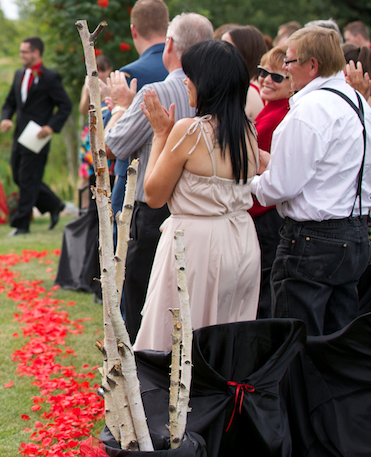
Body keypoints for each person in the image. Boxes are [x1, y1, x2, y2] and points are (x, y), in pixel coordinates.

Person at [134, 39, 261, 351]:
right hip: (242, 240)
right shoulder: (247, 130)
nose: (186, 80)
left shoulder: (190, 130)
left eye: (190, 74)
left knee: (177, 336)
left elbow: (153, 195)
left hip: (197, 246)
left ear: (208, 82)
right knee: (226, 332)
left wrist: (161, 134)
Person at [252, 27, 371, 336]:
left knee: (296, 342)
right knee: (336, 343)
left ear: (312, 65)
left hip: (312, 240)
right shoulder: (358, 103)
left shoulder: (310, 109)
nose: (286, 69)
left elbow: (279, 188)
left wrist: (246, 183)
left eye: (290, 62)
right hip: (353, 233)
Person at [105, 12, 214, 341]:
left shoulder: (157, 92)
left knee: (143, 304)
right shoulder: (217, 92)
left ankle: (145, 381)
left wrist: (121, 108)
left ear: (170, 44)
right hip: (199, 211)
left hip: (154, 210)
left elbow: (113, 145)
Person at [0, 36, 72, 235]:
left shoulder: (50, 77)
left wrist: (51, 127)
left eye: (24, 52)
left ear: (36, 53)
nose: (21, 55)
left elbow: (65, 105)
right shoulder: (19, 74)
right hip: (19, 134)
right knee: (18, 175)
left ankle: (22, 224)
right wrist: (5, 118)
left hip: (37, 136)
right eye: (21, 51)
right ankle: (54, 204)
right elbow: (10, 102)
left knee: (28, 178)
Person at [109, 0, 170, 215]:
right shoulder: (186, 68)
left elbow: (111, 142)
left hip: (137, 181)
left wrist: (116, 108)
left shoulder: (130, 74)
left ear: (133, 30)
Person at [249, 46, 293, 318]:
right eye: (263, 72)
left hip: (265, 213)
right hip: (263, 211)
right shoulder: (272, 110)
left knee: (264, 292)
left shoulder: (280, 115)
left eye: (276, 77)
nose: (266, 80)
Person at [222, 25, 266, 119]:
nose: (219, 53)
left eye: (227, 48)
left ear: (245, 53)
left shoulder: (247, 91)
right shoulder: (259, 87)